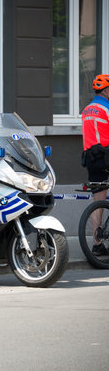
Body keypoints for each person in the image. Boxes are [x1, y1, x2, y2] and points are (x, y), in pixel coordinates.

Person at [81, 74, 109, 256]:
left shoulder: (87, 109)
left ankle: (96, 243)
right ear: (107, 90)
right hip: (107, 155)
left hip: (91, 158)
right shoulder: (107, 108)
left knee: (97, 201)